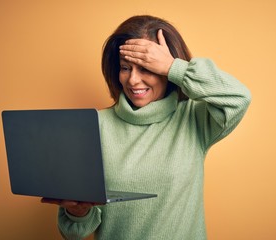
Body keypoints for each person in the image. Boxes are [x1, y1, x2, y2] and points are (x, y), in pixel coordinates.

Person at [42, 15, 251, 239]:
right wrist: (78, 212)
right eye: (125, 68)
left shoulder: (193, 119)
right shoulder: (95, 127)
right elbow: (73, 232)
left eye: (147, 68)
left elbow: (238, 98)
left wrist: (174, 67)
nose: (133, 80)